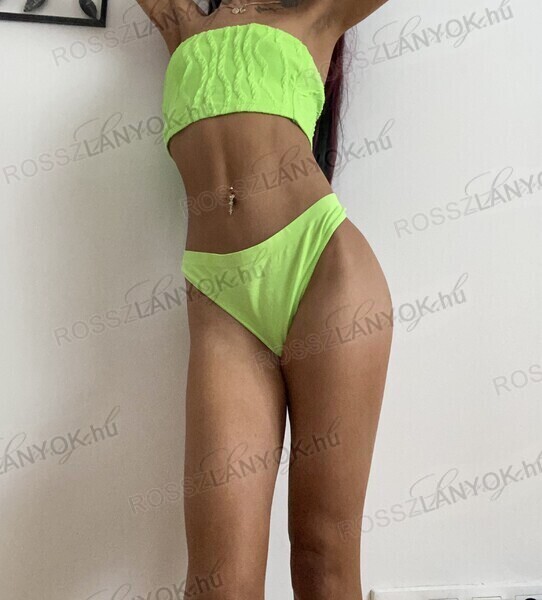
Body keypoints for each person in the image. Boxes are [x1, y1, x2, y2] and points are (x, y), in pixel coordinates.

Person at [136, 1, 392, 598]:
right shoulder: (181, 25)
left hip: (321, 270)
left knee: (323, 553)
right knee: (217, 583)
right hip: (222, 305)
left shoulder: (318, 15)